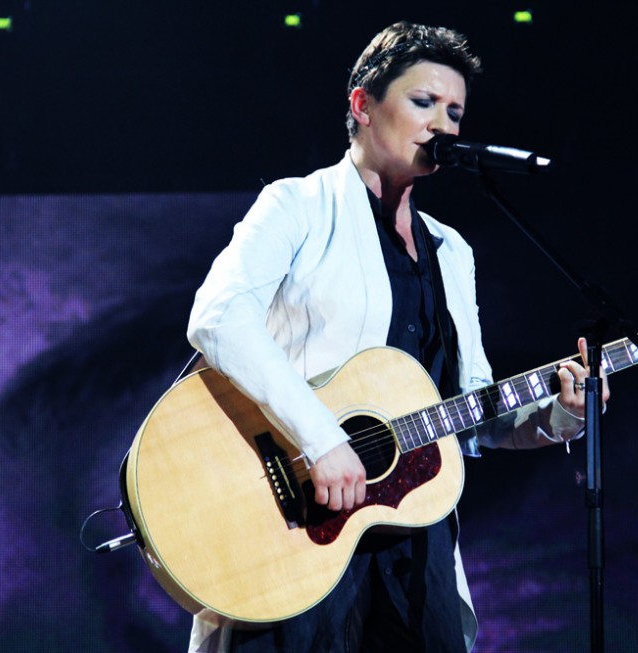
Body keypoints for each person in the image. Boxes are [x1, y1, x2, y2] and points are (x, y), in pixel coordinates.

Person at [185, 20, 610, 653]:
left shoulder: (452, 251)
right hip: (296, 528)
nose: (443, 125)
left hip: (415, 544)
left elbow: (471, 411)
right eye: (423, 102)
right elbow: (219, 317)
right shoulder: (296, 206)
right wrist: (323, 438)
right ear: (362, 105)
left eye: (455, 112)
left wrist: (559, 413)